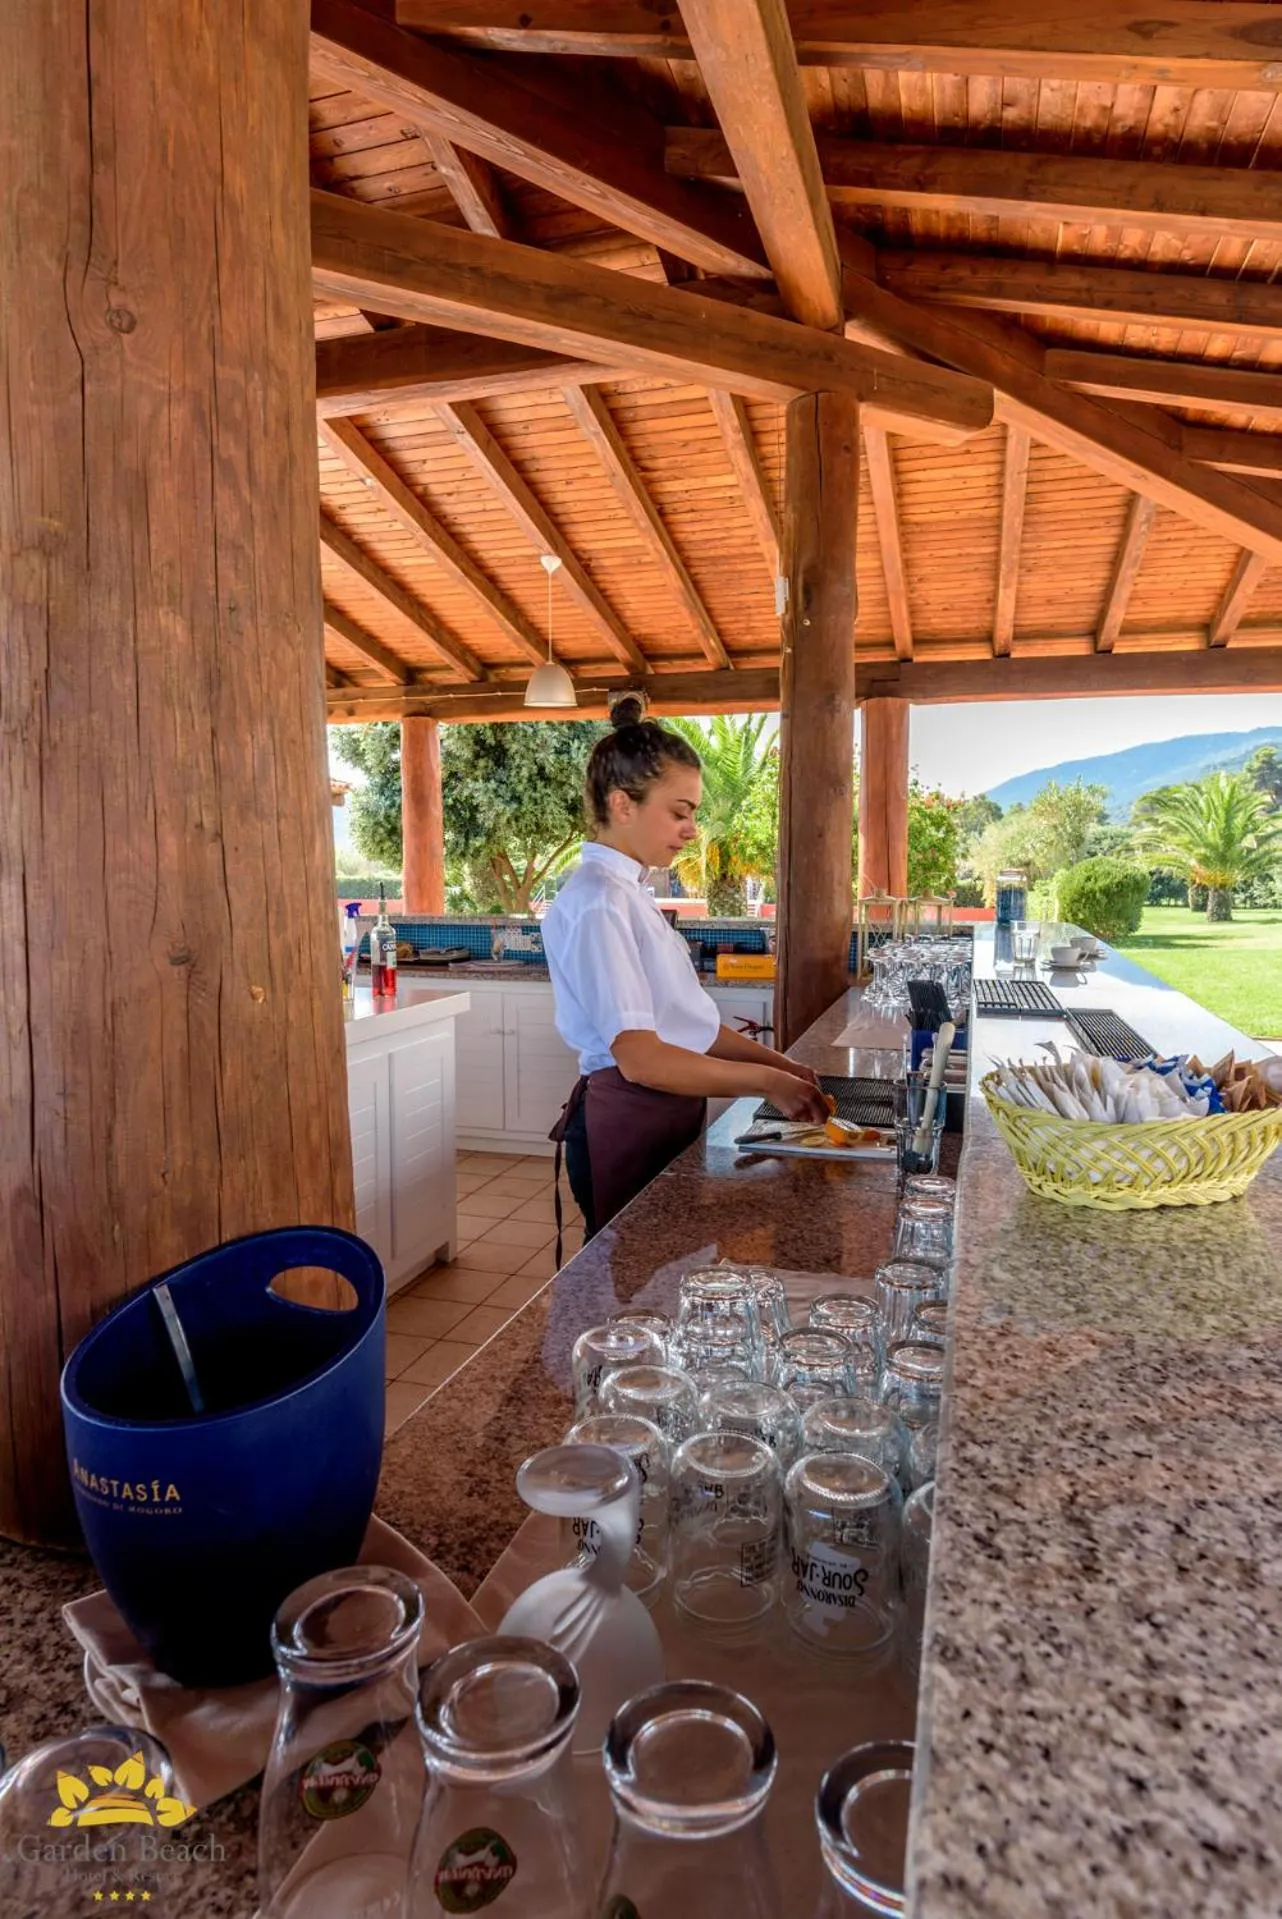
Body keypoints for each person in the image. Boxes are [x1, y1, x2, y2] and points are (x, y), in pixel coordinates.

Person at [542, 697, 829, 1241]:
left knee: (663, 1279)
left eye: (692, 813)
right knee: (629, 1296)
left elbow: (688, 1027)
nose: (692, 829)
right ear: (622, 805)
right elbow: (643, 1058)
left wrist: (783, 1067)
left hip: (663, 1115)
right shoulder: (599, 900)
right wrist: (767, 1081)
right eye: (679, 812)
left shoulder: (630, 892)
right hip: (625, 1120)